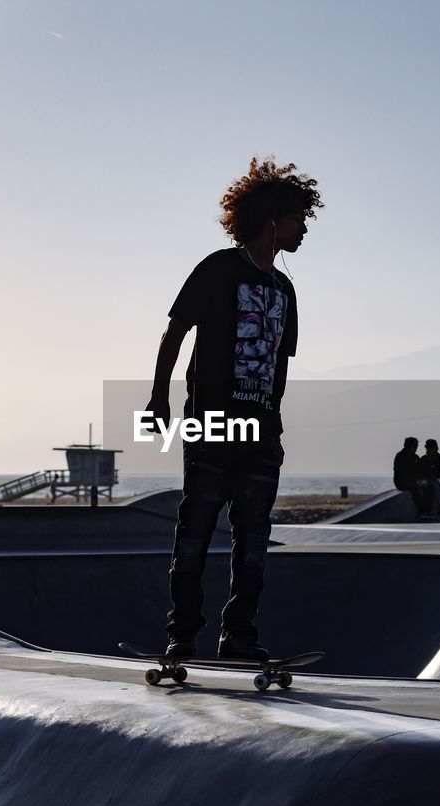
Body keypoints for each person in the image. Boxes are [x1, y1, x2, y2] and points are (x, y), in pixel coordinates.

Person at [144, 156, 322, 661]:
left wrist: (276, 426)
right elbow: (174, 331)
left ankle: (238, 636)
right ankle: (182, 634)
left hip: (262, 432)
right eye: (297, 220)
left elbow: (279, 366)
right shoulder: (218, 269)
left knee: (254, 542)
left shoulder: (285, 291)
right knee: (196, 531)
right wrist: (158, 398)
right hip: (214, 423)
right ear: (272, 220)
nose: (303, 230)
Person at [393, 437, 433, 517]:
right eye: (415, 446)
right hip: (401, 482)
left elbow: (420, 471)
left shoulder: (416, 457)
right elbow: (401, 473)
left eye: (417, 446)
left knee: (429, 486)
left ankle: (429, 510)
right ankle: (422, 511)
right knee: (415, 489)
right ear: (409, 446)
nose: (416, 448)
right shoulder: (400, 456)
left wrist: (423, 479)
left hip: (414, 480)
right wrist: (415, 481)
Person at [419, 439, 440, 514]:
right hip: (425, 480)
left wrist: (438, 478)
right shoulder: (423, 459)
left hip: (437, 478)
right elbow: (421, 472)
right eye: (428, 448)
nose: (430, 450)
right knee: (435, 485)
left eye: (431, 448)